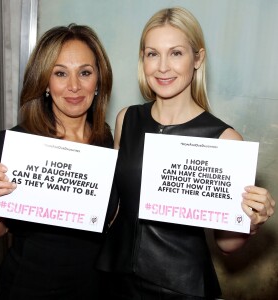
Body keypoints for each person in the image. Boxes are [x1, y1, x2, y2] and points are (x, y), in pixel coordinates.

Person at [96, 7, 276, 300]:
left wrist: (250, 222)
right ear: (143, 59)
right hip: (115, 279)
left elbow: (226, 244)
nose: (163, 67)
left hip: (181, 286)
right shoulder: (126, 119)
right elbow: (115, 207)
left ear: (198, 58)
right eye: (153, 54)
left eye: (176, 53)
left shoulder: (226, 140)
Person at [0, 23, 113, 300]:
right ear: (45, 83)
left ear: (98, 80)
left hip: (93, 288)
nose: (74, 86)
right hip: (27, 288)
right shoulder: (19, 144)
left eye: (84, 73)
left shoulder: (108, 141)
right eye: (60, 73)